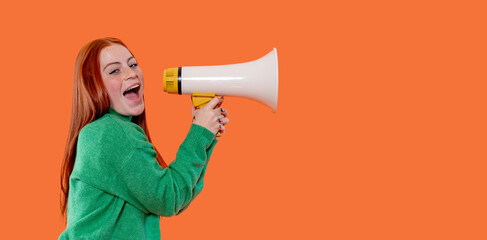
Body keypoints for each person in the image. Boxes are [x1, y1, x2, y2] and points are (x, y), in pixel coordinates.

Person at [59, 37, 229, 239]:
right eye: (115, 70)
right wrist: (199, 133)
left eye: (133, 64)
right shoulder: (110, 132)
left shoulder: (104, 133)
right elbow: (169, 198)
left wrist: (205, 135)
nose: (131, 73)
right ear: (94, 86)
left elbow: (178, 197)